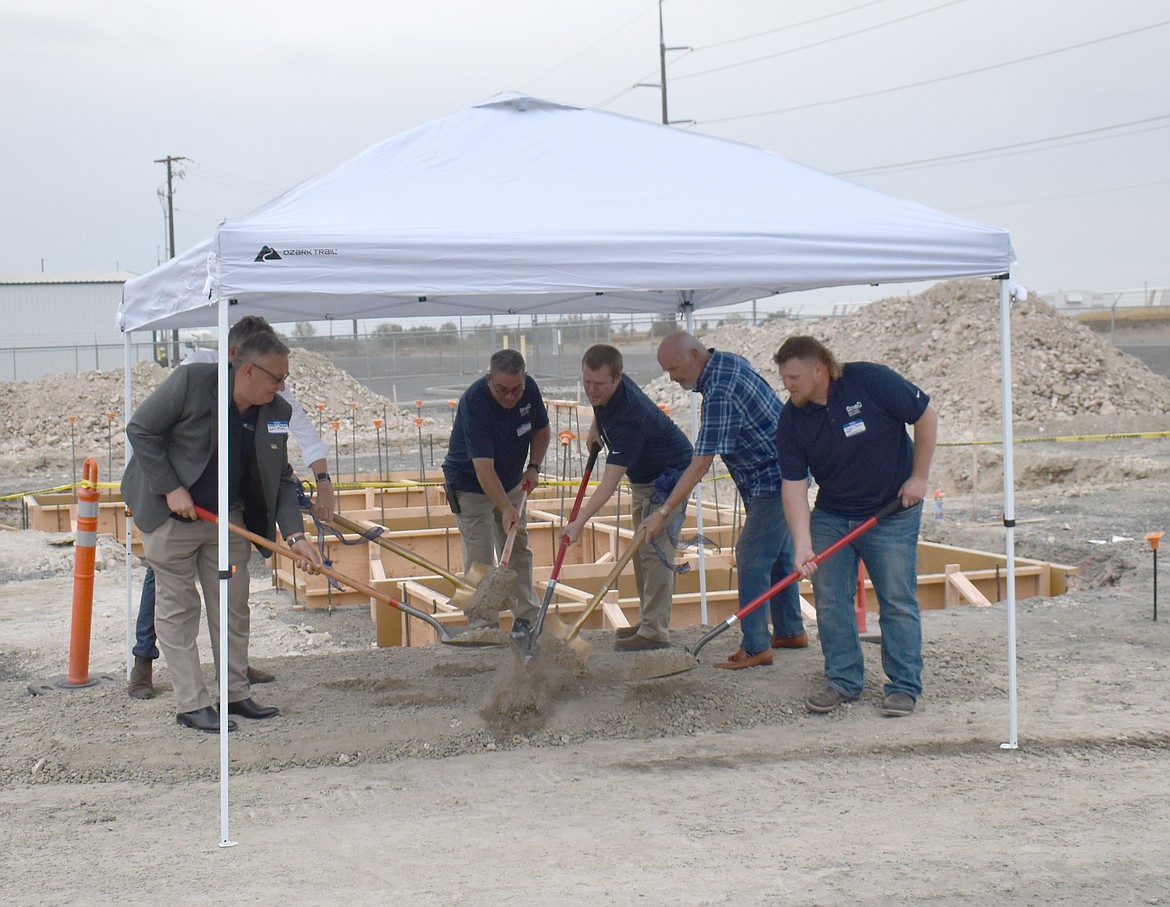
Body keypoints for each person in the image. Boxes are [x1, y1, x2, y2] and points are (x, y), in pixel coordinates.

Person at [121, 330, 322, 732]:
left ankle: (235, 695)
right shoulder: (193, 383)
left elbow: (279, 476)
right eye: (276, 378)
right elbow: (141, 429)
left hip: (226, 518)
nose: (282, 386)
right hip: (170, 515)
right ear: (247, 370)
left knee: (232, 605)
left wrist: (297, 538)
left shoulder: (276, 409)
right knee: (178, 609)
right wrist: (170, 487)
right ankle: (192, 705)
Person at [773, 335, 937, 718]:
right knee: (830, 599)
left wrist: (920, 477)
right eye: (784, 377)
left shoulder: (871, 381)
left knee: (896, 599)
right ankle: (843, 680)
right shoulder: (792, 419)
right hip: (833, 514)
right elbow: (794, 486)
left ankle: (904, 687)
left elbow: (925, 415)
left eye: (794, 376)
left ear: (819, 369)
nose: (788, 385)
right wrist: (802, 544)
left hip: (891, 511)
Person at [642, 331, 806, 669]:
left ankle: (757, 646)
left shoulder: (719, 392)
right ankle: (790, 630)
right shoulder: (726, 362)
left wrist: (663, 511)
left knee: (751, 555)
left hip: (775, 478)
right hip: (775, 472)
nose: (673, 378)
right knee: (777, 554)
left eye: (674, 369)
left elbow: (701, 463)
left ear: (695, 355)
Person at [562, 344, 694, 651]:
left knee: (654, 552)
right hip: (644, 477)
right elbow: (600, 404)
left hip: (669, 476)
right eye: (587, 383)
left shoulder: (629, 417)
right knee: (640, 551)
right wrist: (596, 425)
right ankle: (649, 621)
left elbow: (607, 485)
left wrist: (578, 522)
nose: (592, 390)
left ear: (617, 379)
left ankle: (656, 631)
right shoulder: (606, 388)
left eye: (599, 385)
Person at [441, 349, 550, 641]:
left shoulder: (529, 391)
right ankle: (482, 628)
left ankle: (527, 619)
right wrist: (506, 507)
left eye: (516, 389)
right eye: (502, 389)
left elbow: (542, 429)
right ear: (489, 378)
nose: (509, 396)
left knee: (517, 548)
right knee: (479, 558)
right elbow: (483, 469)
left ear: (524, 380)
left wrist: (535, 467)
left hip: (512, 479)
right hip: (469, 484)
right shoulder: (475, 402)